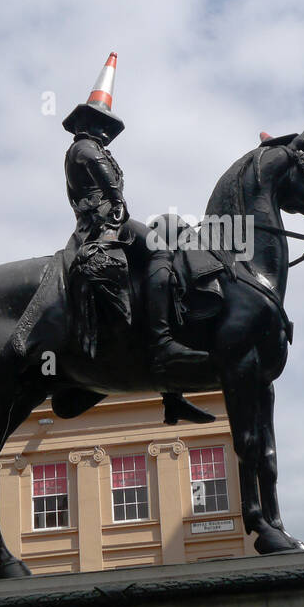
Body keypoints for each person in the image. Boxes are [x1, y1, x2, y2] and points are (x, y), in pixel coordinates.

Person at [61, 53, 213, 425]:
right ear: (87, 122)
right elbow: (105, 181)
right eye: (100, 123)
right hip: (100, 225)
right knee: (163, 246)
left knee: (168, 242)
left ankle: (171, 391)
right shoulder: (84, 148)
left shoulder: (96, 148)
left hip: (113, 219)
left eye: (106, 125)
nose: (104, 130)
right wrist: (115, 199)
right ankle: (161, 341)